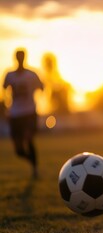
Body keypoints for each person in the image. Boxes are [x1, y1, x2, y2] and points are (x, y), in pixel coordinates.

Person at [2, 49, 44, 178]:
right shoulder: (9, 75)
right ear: (15, 58)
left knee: (29, 138)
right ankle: (32, 161)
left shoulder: (32, 74)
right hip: (15, 114)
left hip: (29, 113)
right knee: (18, 151)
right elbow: (4, 89)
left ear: (24, 58)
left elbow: (42, 87)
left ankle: (35, 168)